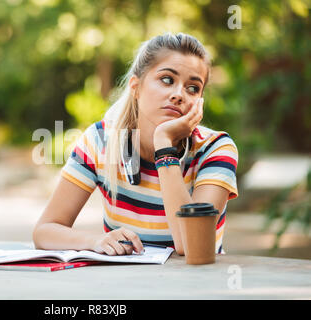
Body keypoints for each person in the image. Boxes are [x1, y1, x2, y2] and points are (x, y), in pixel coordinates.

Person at [33, 32, 238, 257]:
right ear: (135, 87)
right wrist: (94, 241)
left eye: (193, 88)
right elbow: (44, 232)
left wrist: (164, 147)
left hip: (195, 288)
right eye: (167, 80)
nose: (179, 94)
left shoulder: (216, 149)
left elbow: (190, 246)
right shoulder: (101, 140)